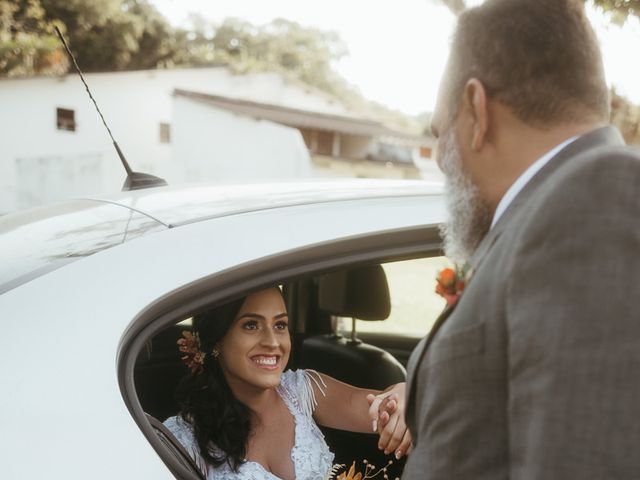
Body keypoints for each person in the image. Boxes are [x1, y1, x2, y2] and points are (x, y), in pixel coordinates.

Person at [399, 0, 640, 478]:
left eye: (440, 134)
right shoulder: (544, 216)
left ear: (476, 108)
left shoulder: (596, 197)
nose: (443, 162)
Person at [164, 286, 410, 479]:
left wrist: (403, 394)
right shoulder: (181, 440)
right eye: (251, 325)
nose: (273, 342)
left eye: (280, 325)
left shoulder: (303, 390)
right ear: (217, 340)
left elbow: (380, 407)